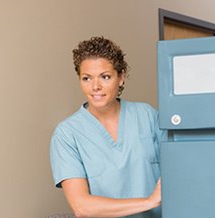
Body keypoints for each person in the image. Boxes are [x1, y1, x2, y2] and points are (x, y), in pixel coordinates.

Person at [50, 36, 164, 218]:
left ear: (121, 77)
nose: (95, 86)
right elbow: (82, 206)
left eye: (105, 77)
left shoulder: (147, 116)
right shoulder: (67, 134)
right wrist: (149, 202)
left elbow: (181, 164)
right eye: (87, 78)